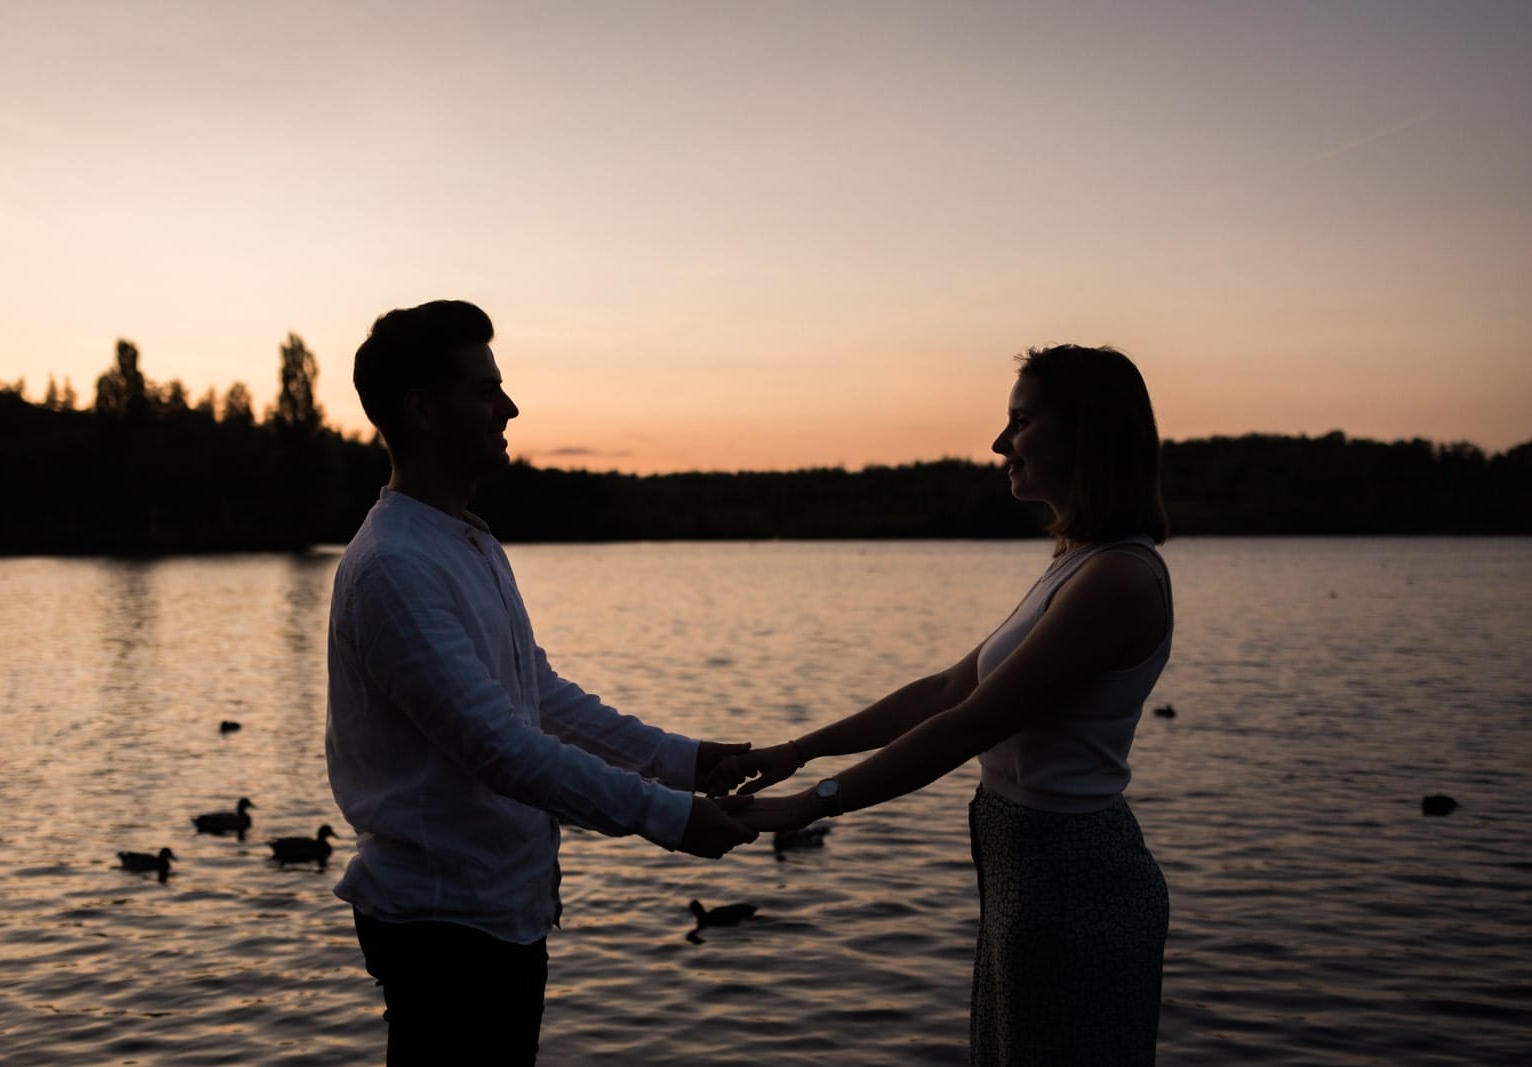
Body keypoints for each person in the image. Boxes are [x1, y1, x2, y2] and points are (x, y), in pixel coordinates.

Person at [710, 344, 1172, 1066]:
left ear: (1083, 431)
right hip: (1028, 876)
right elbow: (950, 688)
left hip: (1078, 886)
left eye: (1020, 421)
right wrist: (798, 750)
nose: (998, 443)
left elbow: (973, 724)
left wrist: (813, 803)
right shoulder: (1076, 563)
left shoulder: (1117, 578)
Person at [326, 299, 757, 1065]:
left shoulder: (465, 543)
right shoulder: (393, 565)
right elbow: (499, 748)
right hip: (445, 929)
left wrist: (685, 761)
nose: (510, 407)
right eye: (485, 390)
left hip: (497, 914)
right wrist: (673, 817)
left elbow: (538, 699)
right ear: (423, 410)